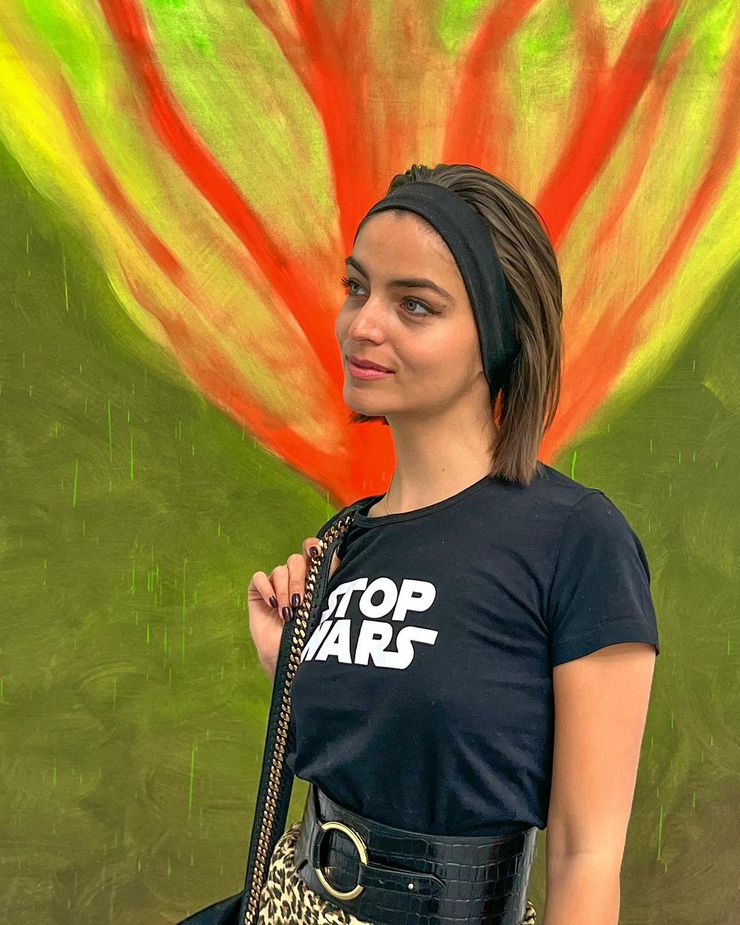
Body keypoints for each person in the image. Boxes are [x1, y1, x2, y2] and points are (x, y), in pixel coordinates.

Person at [247, 163, 660, 925]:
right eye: (358, 288)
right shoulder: (347, 539)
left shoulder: (576, 540)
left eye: (415, 304)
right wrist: (292, 669)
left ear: (497, 337)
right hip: (290, 905)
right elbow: (387, 763)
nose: (362, 325)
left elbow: (585, 853)